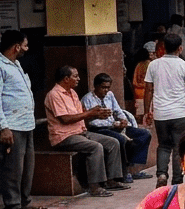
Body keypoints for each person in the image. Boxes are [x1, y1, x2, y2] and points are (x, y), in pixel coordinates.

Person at [46, 66, 128, 197]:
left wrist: (97, 114)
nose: (78, 79)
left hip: (80, 132)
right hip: (64, 136)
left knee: (113, 142)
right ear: (66, 79)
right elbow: (65, 119)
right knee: (95, 147)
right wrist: (90, 113)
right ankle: (94, 186)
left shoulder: (72, 93)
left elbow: (81, 114)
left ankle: (112, 180)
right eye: (75, 76)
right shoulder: (54, 95)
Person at [0, 31, 40, 209]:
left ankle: (24, 201)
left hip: (26, 123)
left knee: (27, 166)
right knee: (12, 168)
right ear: (16, 47)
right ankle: (12, 206)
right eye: (25, 45)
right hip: (11, 125)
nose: (27, 49)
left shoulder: (16, 65)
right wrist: (3, 127)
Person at [145, 33, 185, 187]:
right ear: (180, 48)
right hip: (181, 114)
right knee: (179, 147)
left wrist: (147, 111)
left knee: (163, 145)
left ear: (163, 48)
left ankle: (161, 175)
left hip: (161, 114)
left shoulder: (153, 65)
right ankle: (177, 180)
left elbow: (148, 89)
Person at [83, 73, 152, 179]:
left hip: (115, 126)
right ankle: (123, 173)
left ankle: (133, 169)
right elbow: (89, 122)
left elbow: (118, 111)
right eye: (103, 87)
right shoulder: (87, 99)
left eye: (108, 87)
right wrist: (103, 119)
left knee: (144, 134)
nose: (106, 90)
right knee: (120, 140)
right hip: (99, 129)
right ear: (96, 86)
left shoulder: (109, 95)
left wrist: (123, 120)